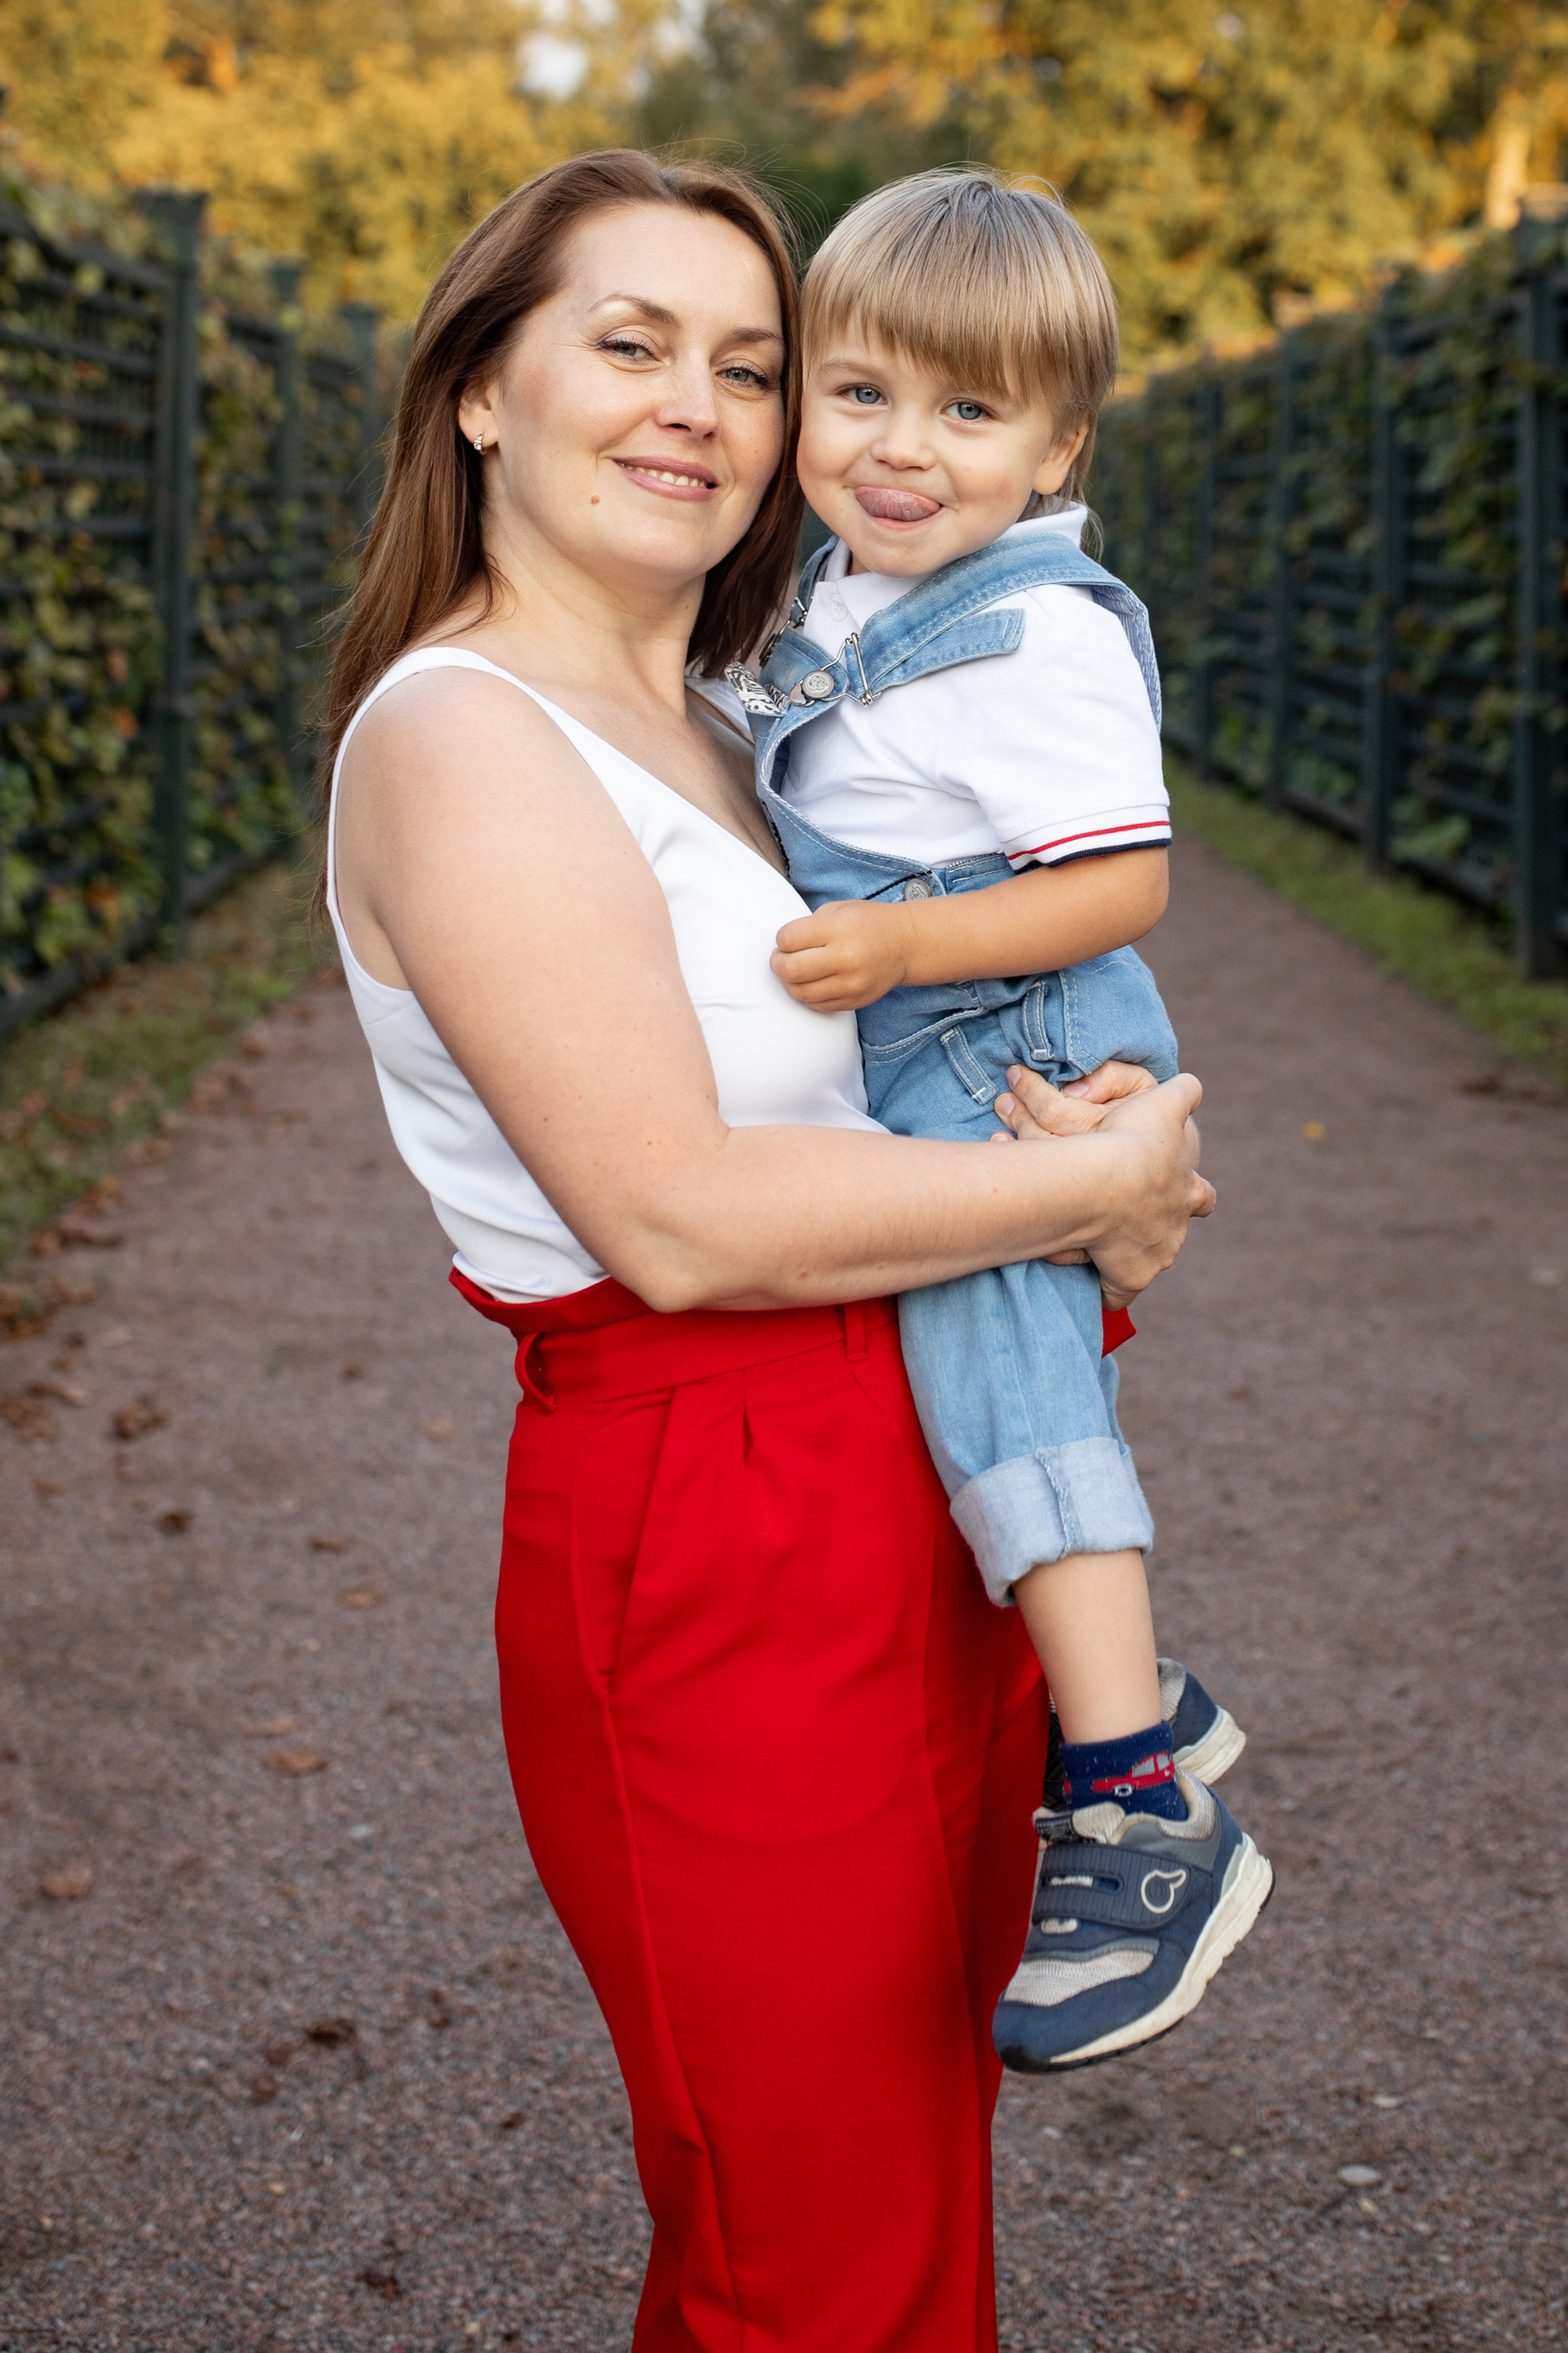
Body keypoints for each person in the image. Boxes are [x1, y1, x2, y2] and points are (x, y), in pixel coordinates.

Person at [320, 149, 1212, 2353]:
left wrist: (1080, 1134)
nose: (696, 406)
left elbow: (882, 1080)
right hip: (712, 1515)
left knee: (896, 2197)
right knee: (801, 2252)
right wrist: (1083, 1191)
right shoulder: (460, 735)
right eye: (626, 344)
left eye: (744, 360)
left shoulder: (740, 723)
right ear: (479, 394)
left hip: (898, 1483)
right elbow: (677, 1216)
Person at [729, 169, 1271, 2073]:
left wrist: (901, 946)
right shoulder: (833, 588)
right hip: (917, 1027)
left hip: (989, 1044)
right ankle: (1123, 1688)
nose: (900, 449)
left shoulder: (1034, 636)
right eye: (859, 391)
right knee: (930, 1397)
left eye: (967, 413)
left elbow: (1116, 883)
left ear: (1055, 445)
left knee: (1006, 1377)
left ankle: (1136, 1798)